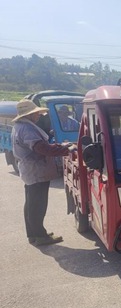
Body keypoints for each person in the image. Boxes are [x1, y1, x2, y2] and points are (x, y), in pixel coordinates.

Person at [11, 99, 70, 245]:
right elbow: (42, 149)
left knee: (31, 202)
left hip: (30, 169)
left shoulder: (20, 126)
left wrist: (59, 146)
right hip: (35, 169)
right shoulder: (27, 129)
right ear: (29, 115)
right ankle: (40, 236)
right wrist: (66, 149)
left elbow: (43, 146)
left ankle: (33, 234)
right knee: (38, 204)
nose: (38, 116)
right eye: (36, 113)